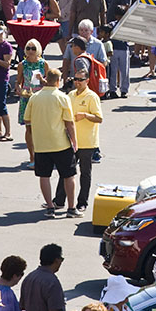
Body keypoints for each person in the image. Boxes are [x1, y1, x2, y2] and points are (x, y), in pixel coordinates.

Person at [24, 67, 78, 218]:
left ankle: (49, 207)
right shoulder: (62, 97)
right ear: (58, 81)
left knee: (44, 176)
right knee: (69, 175)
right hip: (60, 143)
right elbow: (69, 123)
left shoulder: (35, 97)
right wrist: (74, 141)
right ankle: (71, 208)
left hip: (41, 144)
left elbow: (27, 119)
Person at [53, 59, 101, 211]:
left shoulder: (92, 97)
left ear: (87, 81)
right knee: (65, 172)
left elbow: (99, 118)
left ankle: (82, 203)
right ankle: (59, 201)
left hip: (87, 143)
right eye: (75, 79)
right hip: (70, 141)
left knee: (85, 174)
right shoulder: (70, 95)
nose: (77, 82)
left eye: (80, 80)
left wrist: (86, 115)